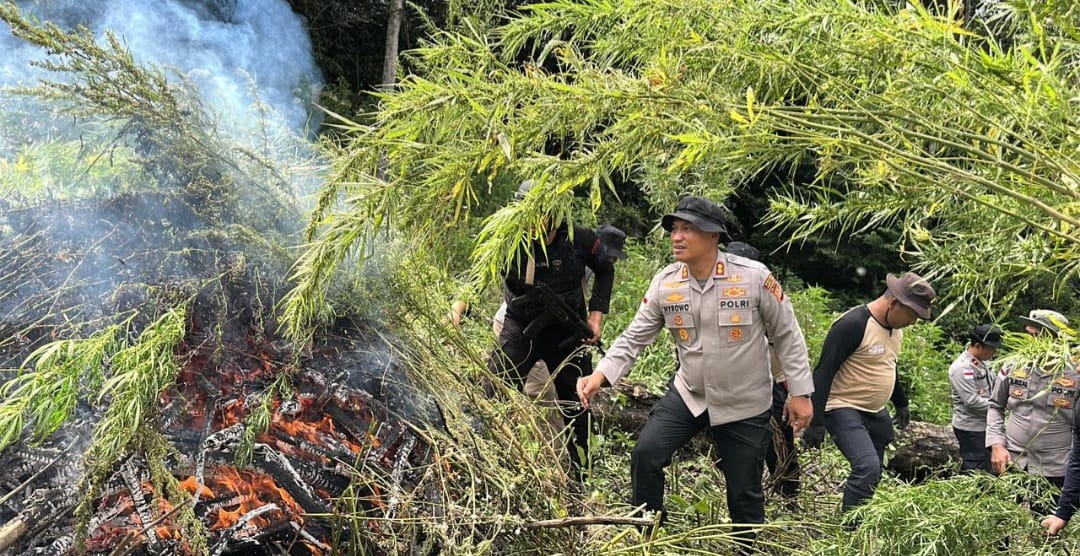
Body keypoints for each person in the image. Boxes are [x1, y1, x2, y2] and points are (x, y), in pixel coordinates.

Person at [576, 196, 813, 546]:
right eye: (674, 228)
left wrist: (800, 393)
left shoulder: (753, 278)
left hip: (744, 403)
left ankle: (746, 550)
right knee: (646, 455)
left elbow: (787, 336)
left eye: (688, 229)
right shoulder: (666, 283)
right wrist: (600, 375)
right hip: (690, 393)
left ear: (713, 236)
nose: (677, 236)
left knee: (743, 492)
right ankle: (648, 536)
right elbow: (634, 336)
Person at [488, 179, 616, 478]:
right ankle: (490, 459)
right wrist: (458, 307)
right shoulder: (507, 238)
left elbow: (605, 269)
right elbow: (479, 272)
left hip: (568, 333)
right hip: (522, 326)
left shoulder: (579, 238)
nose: (534, 220)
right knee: (492, 390)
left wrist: (595, 318)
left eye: (542, 213)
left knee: (577, 403)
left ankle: (581, 475)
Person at [802, 271, 936, 514]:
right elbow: (823, 372)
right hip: (842, 406)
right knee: (867, 467)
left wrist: (901, 402)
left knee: (874, 471)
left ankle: (860, 516)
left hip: (874, 411)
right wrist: (816, 422)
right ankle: (849, 532)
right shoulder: (853, 325)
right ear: (894, 302)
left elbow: (888, 365)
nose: (913, 322)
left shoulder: (896, 330)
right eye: (912, 314)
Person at [724, 241, 801, 504]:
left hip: (768, 381)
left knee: (780, 439)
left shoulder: (765, 296)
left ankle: (787, 494)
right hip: (719, 380)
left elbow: (789, 346)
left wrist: (794, 393)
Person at [986, 310, 1079, 487]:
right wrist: (996, 445)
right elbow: (995, 406)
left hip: (1056, 468)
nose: (1029, 340)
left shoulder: (1075, 371)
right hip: (1013, 461)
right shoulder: (1013, 365)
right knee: (1007, 514)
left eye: (1037, 335)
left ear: (1057, 339)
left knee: (1048, 515)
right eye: (1027, 333)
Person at [948, 323, 1003, 472]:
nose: (994, 352)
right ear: (978, 346)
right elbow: (972, 402)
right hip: (971, 427)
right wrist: (1000, 407)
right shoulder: (962, 368)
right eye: (991, 349)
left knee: (988, 465)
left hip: (986, 424)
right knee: (975, 466)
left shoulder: (984, 362)